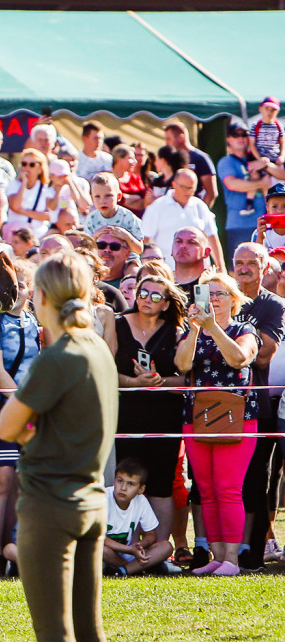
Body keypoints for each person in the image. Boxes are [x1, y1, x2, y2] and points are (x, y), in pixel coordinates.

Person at [0, 251, 117, 642]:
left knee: (55, 635)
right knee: (89, 631)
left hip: (49, 504)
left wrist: (31, 432)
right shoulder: (97, 347)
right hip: (91, 501)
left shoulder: (57, 356)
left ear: (39, 296)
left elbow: (6, 426)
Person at [175, 271, 259, 576]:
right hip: (196, 417)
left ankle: (232, 560)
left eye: (219, 294)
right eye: (207, 294)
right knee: (207, 490)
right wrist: (197, 329)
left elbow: (240, 359)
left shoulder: (244, 329)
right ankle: (217, 555)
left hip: (237, 419)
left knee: (228, 488)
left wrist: (214, 329)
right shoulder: (194, 331)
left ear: (233, 300)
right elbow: (182, 364)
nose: (212, 300)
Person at [111, 274, 188, 549]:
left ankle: (160, 550)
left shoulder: (177, 331)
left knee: (160, 484)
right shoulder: (118, 323)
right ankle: (128, 547)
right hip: (125, 413)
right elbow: (106, 368)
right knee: (124, 481)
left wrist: (160, 381)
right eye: (143, 293)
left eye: (156, 296)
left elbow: (189, 379)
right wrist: (134, 383)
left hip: (164, 414)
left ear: (167, 304)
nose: (147, 300)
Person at [0, 258, 40, 577]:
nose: (13, 288)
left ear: (29, 289)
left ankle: (15, 546)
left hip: (29, 410)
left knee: (22, 479)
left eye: (19, 282)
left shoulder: (33, 322)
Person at [231, 242, 285, 571]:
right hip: (221, 400)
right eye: (238, 262)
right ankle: (217, 550)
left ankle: (253, 552)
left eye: (252, 262)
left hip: (261, 404)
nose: (244, 268)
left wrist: (230, 331)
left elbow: (263, 354)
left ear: (265, 267)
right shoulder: (220, 295)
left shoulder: (273, 305)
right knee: (218, 481)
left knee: (257, 479)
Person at [141, 169, 225, 272]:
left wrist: (221, 268)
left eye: (191, 188)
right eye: (184, 187)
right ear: (173, 184)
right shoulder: (157, 207)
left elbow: (212, 238)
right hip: (167, 271)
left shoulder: (200, 206)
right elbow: (145, 240)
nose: (187, 192)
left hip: (200, 272)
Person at [102, 459, 173, 576]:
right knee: (99, 548)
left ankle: (123, 571)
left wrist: (140, 546)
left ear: (141, 489)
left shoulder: (141, 501)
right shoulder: (104, 498)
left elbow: (151, 535)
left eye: (130, 484)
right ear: (114, 481)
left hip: (129, 552)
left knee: (166, 546)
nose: (123, 488)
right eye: (120, 481)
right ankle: (138, 568)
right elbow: (99, 538)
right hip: (110, 552)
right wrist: (130, 550)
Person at [220, 121, 277, 255]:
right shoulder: (226, 161)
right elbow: (232, 184)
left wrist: (265, 164)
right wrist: (261, 183)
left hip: (265, 222)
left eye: (244, 135)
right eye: (235, 135)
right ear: (228, 139)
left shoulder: (258, 158)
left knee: (266, 263)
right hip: (239, 224)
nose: (240, 138)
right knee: (239, 265)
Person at [245, 97, 285, 215]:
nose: (269, 112)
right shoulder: (256, 126)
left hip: (274, 160)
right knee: (256, 176)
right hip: (260, 158)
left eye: (273, 110)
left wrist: (281, 156)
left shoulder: (278, 126)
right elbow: (252, 144)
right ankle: (251, 202)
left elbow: (282, 142)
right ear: (261, 109)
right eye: (267, 108)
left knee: (274, 183)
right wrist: (259, 159)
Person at [163, 122, 217, 208]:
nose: (166, 143)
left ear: (181, 138)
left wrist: (200, 213)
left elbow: (211, 193)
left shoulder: (200, 158)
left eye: (169, 139)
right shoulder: (171, 158)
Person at [6, 148, 56, 239]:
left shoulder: (46, 189)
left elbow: (50, 216)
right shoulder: (13, 184)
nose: (27, 168)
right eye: (24, 164)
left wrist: (22, 211)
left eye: (32, 165)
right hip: (14, 233)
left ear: (40, 169)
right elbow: (15, 206)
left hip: (37, 235)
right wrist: (24, 183)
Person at [82, 172, 143, 240]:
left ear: (119, 196)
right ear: (92, 197)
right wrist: (95, 236)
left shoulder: (128, 218)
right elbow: (87, 247)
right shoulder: (91, 219)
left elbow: (140, 248)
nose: (102, 201)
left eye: (108, 196)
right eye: (97, 196)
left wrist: (126, 236)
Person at [171, 226, 211, 297]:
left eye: (191, 242)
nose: (183, 246)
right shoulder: (163, 284)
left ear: (206, 252)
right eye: (178, 241)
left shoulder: (214, 286)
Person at [111, 144, 146, 217]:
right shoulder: (109, 179)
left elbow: (144, 202)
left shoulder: (135, 178)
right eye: (131, 158)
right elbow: (113, 200)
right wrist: (136, 197)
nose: (135, 162)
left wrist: (125, 198)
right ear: (119, 159)